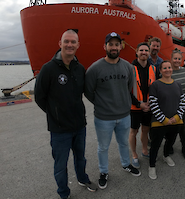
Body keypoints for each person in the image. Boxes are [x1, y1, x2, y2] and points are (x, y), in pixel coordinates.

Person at [34, 29, 97, 199]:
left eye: (73, 42)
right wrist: (54, 114)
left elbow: (83, 92)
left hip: (79, 125)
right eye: (66, 41)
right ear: (60, 44)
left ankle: (83, 179)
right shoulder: (48, 69)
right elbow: (39, 97)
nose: (70, 44)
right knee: (60, 164)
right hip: (59, 129)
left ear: (78, 45)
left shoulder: (80, 68)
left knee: (80, 158)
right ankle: (63, 193)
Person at [84, 32, 141, 190]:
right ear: (105, 46)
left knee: (123, 143)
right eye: (111, 44)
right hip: (103, 118)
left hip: (124, 116)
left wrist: (123, 103)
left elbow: (129, 87)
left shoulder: (128, 67)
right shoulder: (95, 69)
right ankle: (103, 172)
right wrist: (101, 104)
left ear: (121, 46)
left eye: (117, 44)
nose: (114, 47)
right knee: (103, 147)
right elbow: (88, 91)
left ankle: (126, 164)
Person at [148, 61, 185, 179]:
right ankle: (151, 165)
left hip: (175, 121)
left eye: (169, 67)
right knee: (155, 144)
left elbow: (183, 101)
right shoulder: (155, 85)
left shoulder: (177, 84)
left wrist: (176, 117)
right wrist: (164, 120)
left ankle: (165, 155)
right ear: (160, 71)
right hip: (159, 122)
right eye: (164, 68)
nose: (168, 69)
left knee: (170, 141)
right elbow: (153, 104)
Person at [129, 42, 157, 168]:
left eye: (146, 50)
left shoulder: (153, 68)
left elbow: (156, 87)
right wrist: (139, 104)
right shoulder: (130, 68)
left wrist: (151, 103)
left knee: (146, 129)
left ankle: (144, 150)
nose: (144, 52)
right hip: (135, 106)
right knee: (133, 131)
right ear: (136, 52)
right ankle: (134, 154)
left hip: (149, 105)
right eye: (141, 50)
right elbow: (126, 90)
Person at [170, 49, 185, 159]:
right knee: (172, 127)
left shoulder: (184, 70)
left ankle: (184, 148)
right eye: (175, 58)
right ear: (171, 59)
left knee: (182, 127)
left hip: (183, 104)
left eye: (179, 59)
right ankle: (170, 146)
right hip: (171, 105)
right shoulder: (168, 71)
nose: (177, 60)